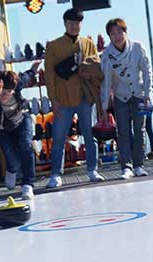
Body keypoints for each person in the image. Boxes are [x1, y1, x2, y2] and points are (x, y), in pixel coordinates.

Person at [43, 8, 104, 189]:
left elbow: (97, 69)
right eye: (70, 22)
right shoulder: (53, 46)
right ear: (65, 24)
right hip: (63, 99)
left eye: (77, 23)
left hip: (85, 97)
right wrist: (53, 98)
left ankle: (92, 169)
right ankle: (56, 173)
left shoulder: (88, 44)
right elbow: (48, 75)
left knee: (89, 134)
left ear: (81, 24)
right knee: (59, 136)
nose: (74, 26)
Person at [99, 18, 153, 179]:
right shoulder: (107, 55)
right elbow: (106, 81)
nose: (117, 36)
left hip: (139, 95)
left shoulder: (137, 47)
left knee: (139, 130)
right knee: (122, 131)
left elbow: (147, 71)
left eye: (119, 32)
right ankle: (126, 167)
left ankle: (139, 165)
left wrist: (147, 94)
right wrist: (104, 106)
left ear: (125, 32)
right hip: (120, 96)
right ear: (109, 36)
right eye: (112, 33)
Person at [0, 70, 37, 202]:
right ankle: (12, 169)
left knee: (26, 145)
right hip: (2, 128)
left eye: (9, 91)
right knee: (12, 158)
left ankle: (28, 184)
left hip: (21, 119)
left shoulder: (16, 85)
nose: (6, 95)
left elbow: (25, 77)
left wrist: (33, 69)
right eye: (3, 91)